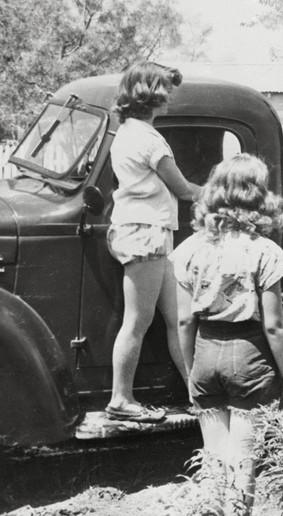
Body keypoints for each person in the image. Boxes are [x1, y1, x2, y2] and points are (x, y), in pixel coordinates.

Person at [171, 154, 283, 515]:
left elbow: (183, 321)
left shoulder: (189, 249)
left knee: (215, 461)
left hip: (205, 352)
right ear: (257, 197)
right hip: (249, 356)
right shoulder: (264, 251)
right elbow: (274, 325)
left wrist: (190, 370)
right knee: (243, 464)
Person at [105, 61, 199, 423]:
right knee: (137, 321)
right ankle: (120, 399)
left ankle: (196, 394)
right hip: (147, 232)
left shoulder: (127, 130)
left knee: (179, 318)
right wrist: (226, 193)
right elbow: (184, 189)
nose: (170, 97)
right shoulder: (148, 139)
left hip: (145, 231)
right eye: (166, 90)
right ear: (152, 95)